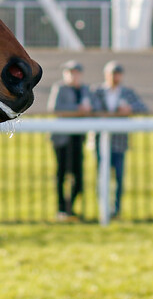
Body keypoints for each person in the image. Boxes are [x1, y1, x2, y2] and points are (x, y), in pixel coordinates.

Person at [91, 60, 147, 219]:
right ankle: (103, 209)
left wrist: (129, 109)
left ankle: (117, 210)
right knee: (102, 177)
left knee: (120, 178)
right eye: (112, 74)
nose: (115, 77)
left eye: (118, 74)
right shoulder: (97, 91)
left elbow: (143, 108)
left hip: (120, 142)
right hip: (100, 141)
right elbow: (93, 110)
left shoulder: (128, 93)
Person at [47, 60, 97, 221]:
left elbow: (94, 106)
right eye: (69, 72)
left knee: (78, 176)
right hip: (62, 138)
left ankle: (69, 208)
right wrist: (77, 109)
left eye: (74, 72)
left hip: (78, 137)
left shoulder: (85, 90)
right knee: (61, 174)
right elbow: (55, 108)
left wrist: (88, 109)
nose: (72, 76)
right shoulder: (60, 88)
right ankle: (61, 209)